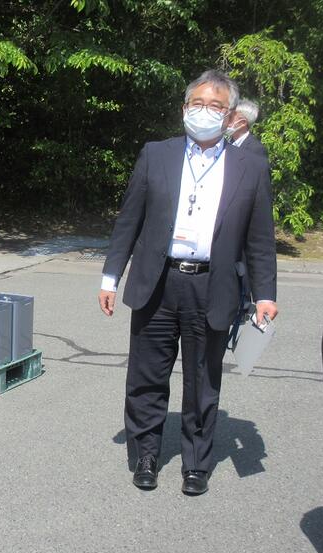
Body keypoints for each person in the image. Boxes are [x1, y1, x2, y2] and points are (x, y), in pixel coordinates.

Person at [98, 70, 278, 496]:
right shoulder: (156, 154)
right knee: (146, 375)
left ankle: (196, 463)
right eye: (198, 103)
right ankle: (146, 454)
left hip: (212, 285)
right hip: (158, 282)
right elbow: (129, 220)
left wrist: (265, 295)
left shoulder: (250, 166)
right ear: (184, 108)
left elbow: (260, 238)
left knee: (203, 380)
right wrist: (110, 277)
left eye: (216, 106)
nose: (205, 112)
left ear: (230, 115)